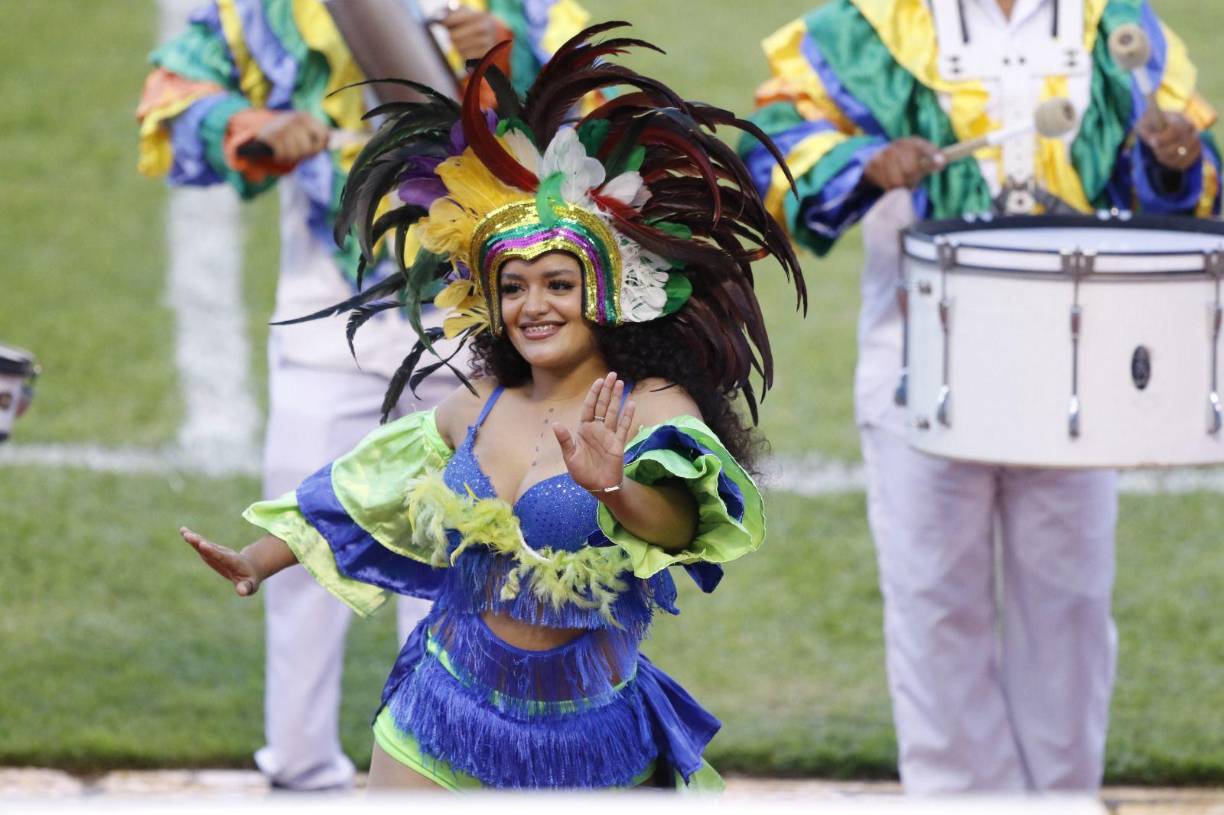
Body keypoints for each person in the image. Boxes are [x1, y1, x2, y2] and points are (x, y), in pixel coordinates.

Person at [178, 24, 805, 789]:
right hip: (439, 714)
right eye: (513, 287)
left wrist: (614, 486)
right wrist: (254, 561)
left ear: (602, 292)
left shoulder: (647, 405)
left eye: (557, 285)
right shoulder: (476, 403)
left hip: (590, 737)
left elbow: (685, 522)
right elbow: (353, 491)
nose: (532, 306)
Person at [742, 0, 1220, 794]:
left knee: (1067, 605)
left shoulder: (1112, 23)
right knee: (936, 605)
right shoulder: (866, 27)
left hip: (1079, 363)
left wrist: (1175, 162)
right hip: (919, 354)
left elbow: (1175, 196)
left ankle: (1062, 801)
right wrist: (867, 161)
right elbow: (773, 152)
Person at [136, 0, 592, 790]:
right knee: (301, 569)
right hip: (324, 329)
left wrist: (508, 64)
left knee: (462, 565)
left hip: (470, 333)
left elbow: (594, 123)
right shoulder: (274, 11)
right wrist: (251, 127)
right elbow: (172, 98)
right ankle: (300, 770)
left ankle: (440, 776)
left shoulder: (521, 7)